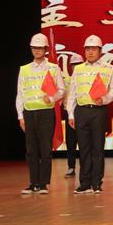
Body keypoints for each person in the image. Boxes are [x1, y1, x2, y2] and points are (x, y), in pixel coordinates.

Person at [68, 35, 113, 194]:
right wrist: (71, 114)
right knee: (83, 148)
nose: (90, 52)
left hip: (98, 111)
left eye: (94, 49)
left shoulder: (108, 68)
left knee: (98, 148)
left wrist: (105, 99)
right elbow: (72, 93)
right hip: (81, 111)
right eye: (88, 49)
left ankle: (96, 182)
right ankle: (84, 183)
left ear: (100, 51)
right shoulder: (78, 69)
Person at [16, 33, 65, 195]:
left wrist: (51, 98)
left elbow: (61, 90)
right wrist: (20, 116)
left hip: (46, 113)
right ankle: (33, 183)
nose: (36, 50)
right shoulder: (24, 69)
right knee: (31, 150)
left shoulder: (53, 68)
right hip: (29, 113)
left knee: (45, 149)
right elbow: (20, 94)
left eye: (40, 48)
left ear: (45, 49)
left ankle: (44, 183)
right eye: (34, 48)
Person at [62, 53, 83, 179]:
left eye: (78, 64)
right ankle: (71, 167)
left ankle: (85, 167)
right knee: (70, 141)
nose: (76, 67)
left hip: (83, 112)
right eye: (73, 65)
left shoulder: (86, 80)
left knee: (84, 141)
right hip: (69, 113)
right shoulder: (66, 81)